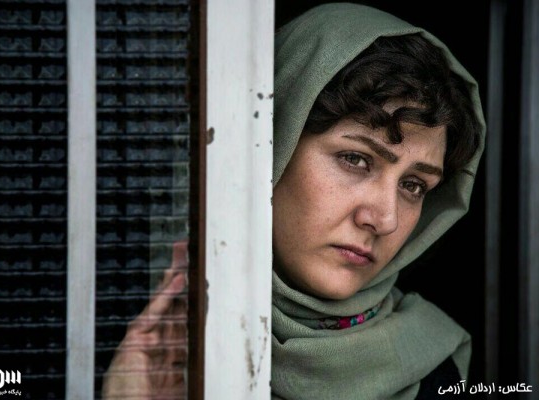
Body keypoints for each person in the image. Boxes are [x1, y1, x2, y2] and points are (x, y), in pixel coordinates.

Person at [102, 3, 486, 399]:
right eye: (355, 159)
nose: (385, 219)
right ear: (271, 148)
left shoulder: (437, 379)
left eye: (413, 185)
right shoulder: (139, 340)